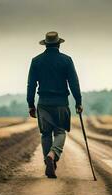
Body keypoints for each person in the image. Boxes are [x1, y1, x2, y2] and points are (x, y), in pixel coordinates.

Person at [27, 31, 83, 178]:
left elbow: (31, 85)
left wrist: (30, 104)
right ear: (58, 44)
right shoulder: (66, 60)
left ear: (45, 44)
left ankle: (48, 161)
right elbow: (74, 83)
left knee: (45, 133)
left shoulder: (36, 61)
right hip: (61, 103)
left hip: (43, 103)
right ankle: (52, 155)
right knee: (60, 131)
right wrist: (78, 101)